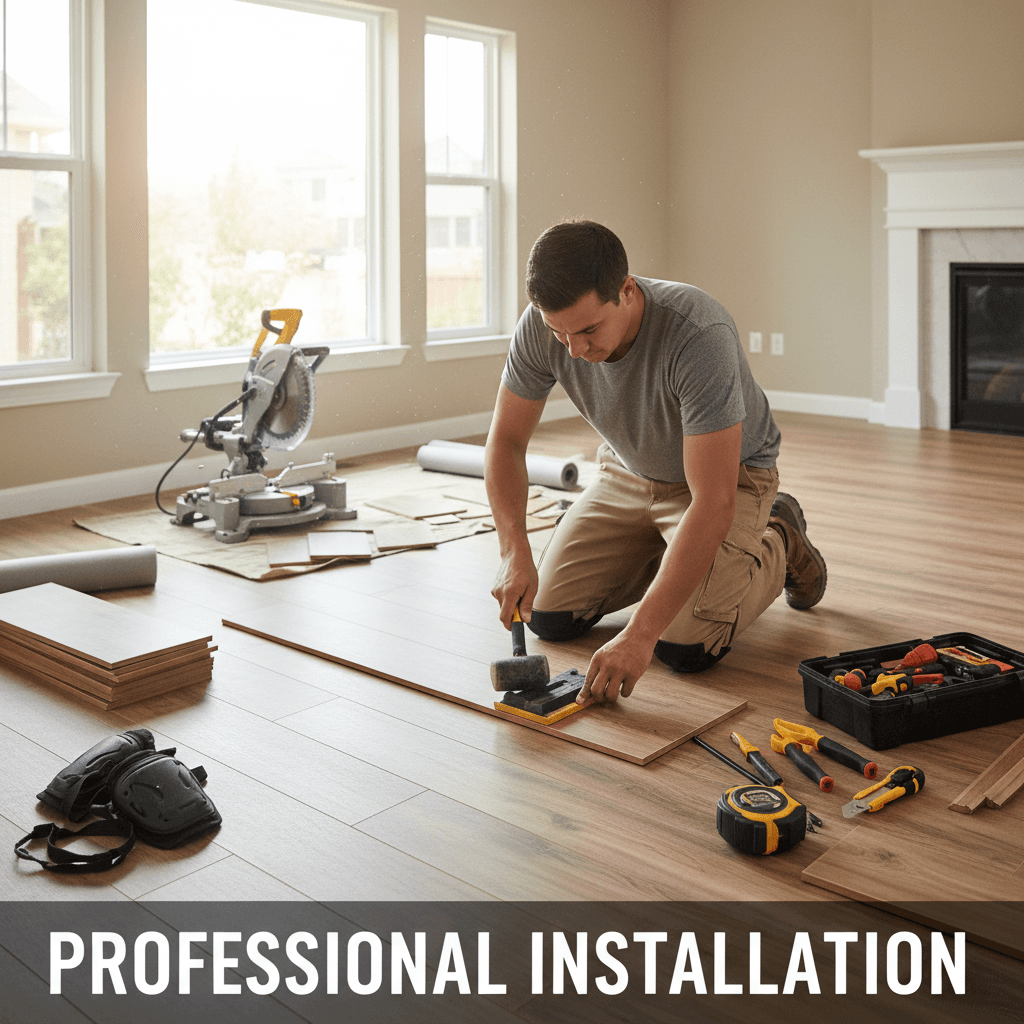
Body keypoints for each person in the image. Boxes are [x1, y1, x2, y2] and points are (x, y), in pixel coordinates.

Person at [484, 219, 826, 705]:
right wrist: (513, 549)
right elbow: (506, 442)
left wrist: (640, 633)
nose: (575, 351)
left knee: (684, 646)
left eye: (587, 330)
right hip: (628, 473)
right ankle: (676, 559)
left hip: (727, 481)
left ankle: (778, 538)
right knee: (548, 618)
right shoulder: (546, 327)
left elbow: (711, 501)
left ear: (626, 290)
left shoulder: (697, 333)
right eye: (558, 333)